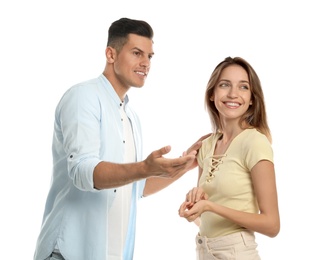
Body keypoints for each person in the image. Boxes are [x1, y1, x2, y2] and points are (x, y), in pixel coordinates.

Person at [34, 17, 208, 260]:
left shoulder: (130, 116)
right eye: (137, 53)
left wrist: (185, 164)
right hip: (69, 253)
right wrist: (144, 168)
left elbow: (136, 187)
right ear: (110, 54)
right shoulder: (83, 97)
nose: (145, 63)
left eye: (150, 56)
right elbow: (83, 172)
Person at [178, 57, 280, 259]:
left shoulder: (255, 142)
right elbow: (207, 217)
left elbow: (272, 225)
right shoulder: (207, 145)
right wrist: (194, 210)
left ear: (252, 98)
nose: (233, 94)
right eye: (225, 85)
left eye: (243, 87)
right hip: (205, 250)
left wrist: (210, 206)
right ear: (212, 94)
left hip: (237, 253)